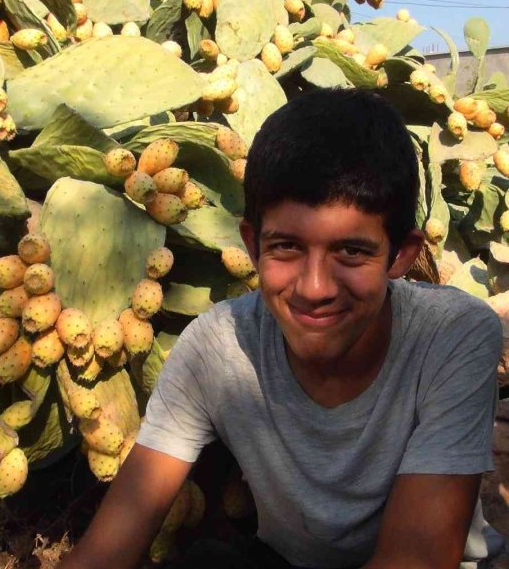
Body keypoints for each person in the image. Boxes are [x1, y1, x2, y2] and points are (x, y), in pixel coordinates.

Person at [59, 89, 504, 569]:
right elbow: (107, 547)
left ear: (400, 254)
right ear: (252, 245)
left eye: (351, 252)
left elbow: (416, 559)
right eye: (287, 247)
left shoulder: (451, 335)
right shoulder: (215, 348)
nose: (315, 289)